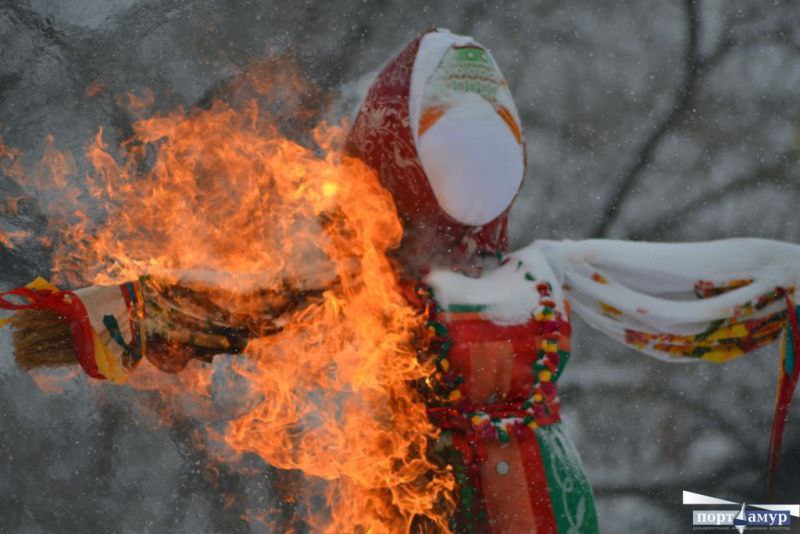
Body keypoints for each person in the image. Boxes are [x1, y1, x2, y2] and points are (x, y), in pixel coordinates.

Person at [2, 28, 799, 533]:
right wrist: (112, 317)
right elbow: (238, 305)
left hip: (553, 501)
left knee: (738, 521)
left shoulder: (546, 271)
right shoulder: (369, 277)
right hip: (426, 498)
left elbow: (669, 291)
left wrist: (776, 287)